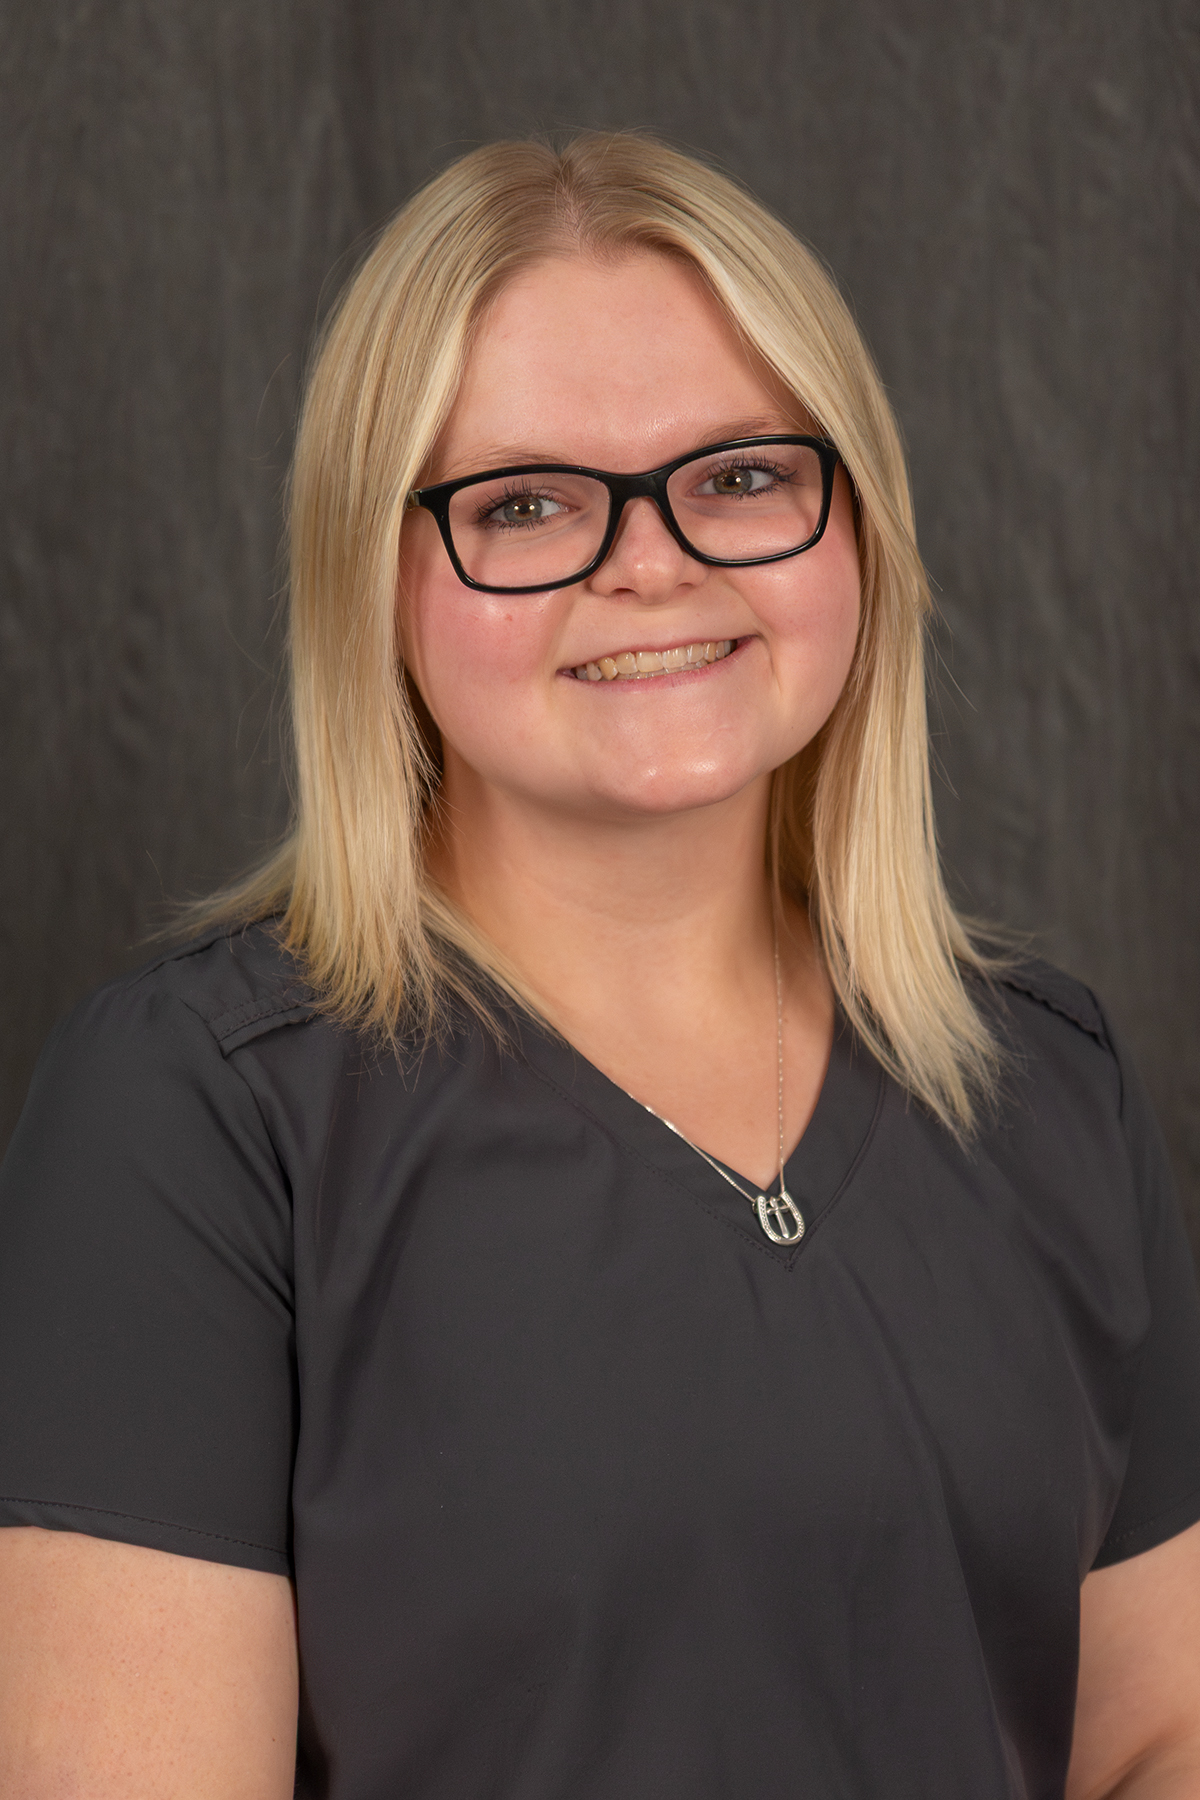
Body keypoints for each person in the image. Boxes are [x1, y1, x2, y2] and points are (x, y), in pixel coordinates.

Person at [0, 131, 1198, 1800]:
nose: (653, 560)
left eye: (741, 476)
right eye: (526, 502)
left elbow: (1154, 1737)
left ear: (857, 523)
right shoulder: (196, 1115)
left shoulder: (1048, 1085)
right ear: (374, 580)